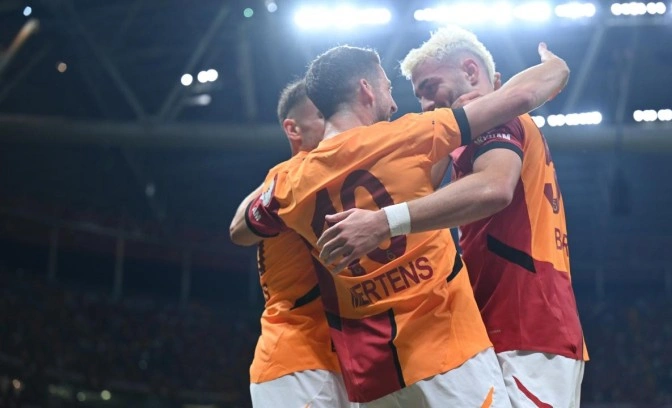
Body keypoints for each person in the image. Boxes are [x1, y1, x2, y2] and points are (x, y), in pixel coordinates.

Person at [237, 43, 569, 407]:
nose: (395, 105)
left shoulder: (287, 183)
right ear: (366, 90)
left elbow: (240, 230)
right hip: (448, 351)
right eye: (387, 88)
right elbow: (525, 96)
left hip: (372, 375)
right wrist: (556, 64)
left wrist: (280, 181)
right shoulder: (406, 137)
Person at [317, 26, 587, 407]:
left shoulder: (497, 117)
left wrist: (383, 222)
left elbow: (494, 187)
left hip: (524, 323)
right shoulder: (481, 129)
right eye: (419, 96)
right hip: (516, 321)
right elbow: (420, 186)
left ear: (471, 72)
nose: (425, 104)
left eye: (430, 87)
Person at [229, 80, 349, 407]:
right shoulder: (293, 174)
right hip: (297, 360)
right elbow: (237, 229)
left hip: (339, 361)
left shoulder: (311, 174)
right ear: (293, 129)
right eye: (323, 115)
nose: (336, 122)